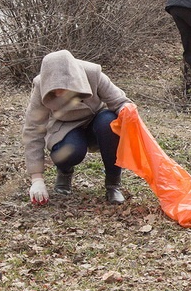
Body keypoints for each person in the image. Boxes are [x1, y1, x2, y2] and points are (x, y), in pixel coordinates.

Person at [22, 50, 132, 206]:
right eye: (54, 89)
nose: (59, 93)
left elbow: (120, 102)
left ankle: (113, 184)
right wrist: (37, 179)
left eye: (63, 87)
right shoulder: (40, 85)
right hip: (64, 126)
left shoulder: (92, 73)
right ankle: (65, 172)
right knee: (70, 151)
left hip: (96, 120)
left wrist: (126, 111)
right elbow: (33, 129)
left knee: (110, 123)